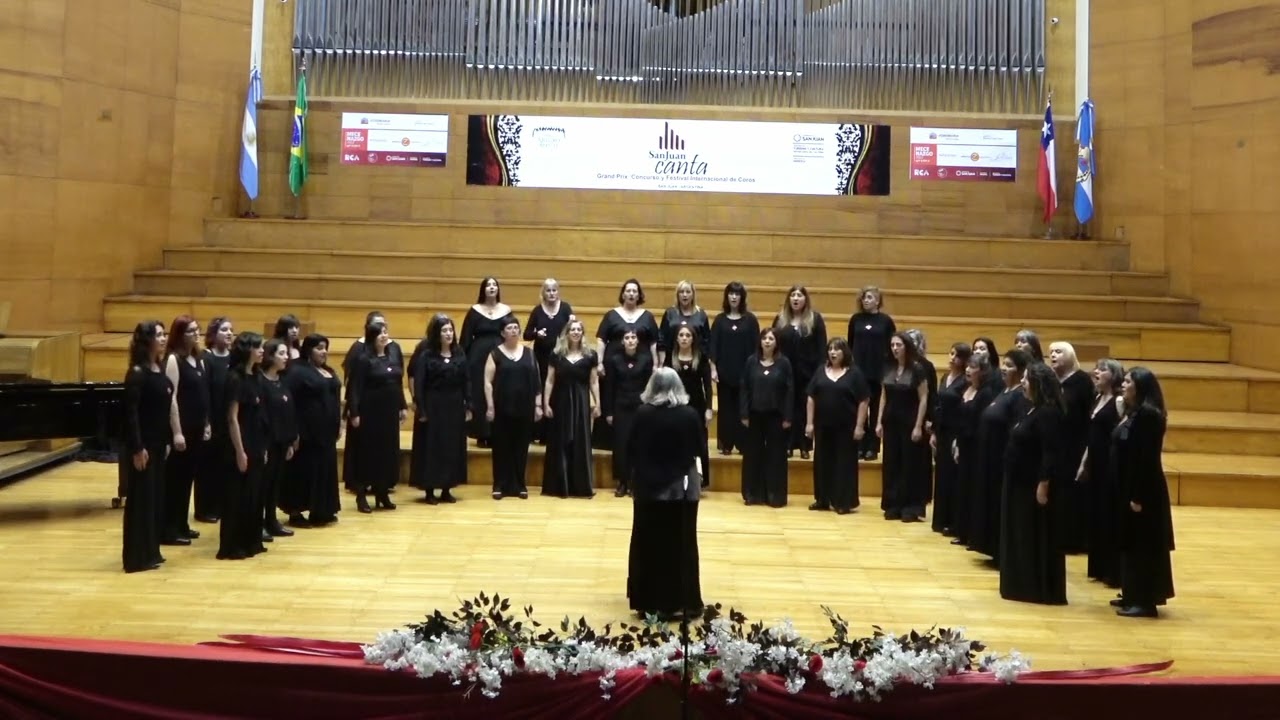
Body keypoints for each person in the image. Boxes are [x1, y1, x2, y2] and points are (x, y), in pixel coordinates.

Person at [625, 368, 704, 618]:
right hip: (681, 489)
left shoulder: (642, 414)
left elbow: (630, 448)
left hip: (649, 488)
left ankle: (648, 601)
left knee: (648, 542)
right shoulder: (690, 415)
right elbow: (699, 448)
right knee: (682, 543)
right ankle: (683, 601)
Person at [999, 362, 1068, 605]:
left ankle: (1035, 587)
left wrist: (1043, 483)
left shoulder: (1048, 413)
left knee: (1033, 534)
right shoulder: (1033, 409)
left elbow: (1050, 451)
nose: (1022, 383)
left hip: (1032, 483)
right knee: (1021, 533)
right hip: (1019, 482)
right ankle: (1020, 583)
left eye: (1026, 379)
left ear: (1038, 384)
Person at [1112, 367, 1176, 618]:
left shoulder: (1149, 415)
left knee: (1142, 545)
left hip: (1143, 490)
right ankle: (1132, 592)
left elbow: (1146, 459)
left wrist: (1138, 496)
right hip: (1129, 485)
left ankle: (1145, 600)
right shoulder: (1134, 412)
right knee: (1131, 543)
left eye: (1128, 381)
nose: (1123, 384)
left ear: (1140, 386)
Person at [121, 320, 173, 573]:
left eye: (164, 335)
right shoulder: (137, 373)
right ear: (147, 340)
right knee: (141, 500)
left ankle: (151, 550)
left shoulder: (158, 369)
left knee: (155, 499)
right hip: (144, 446)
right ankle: (137, 557)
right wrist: (137, 448)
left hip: (159, 444)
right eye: (159, 335)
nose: (163, 339)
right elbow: (131, 414)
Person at [346, 321, 408, 513]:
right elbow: (354, 387)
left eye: (386, 332)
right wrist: (354, 412)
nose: (384, 335)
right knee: (367, 453)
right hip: (369, 413)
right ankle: (361, 495)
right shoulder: (363, 359)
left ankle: (382, 493)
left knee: (386, 452)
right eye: (380, 333)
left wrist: (402, 406)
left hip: (388, 414)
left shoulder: (392, 356)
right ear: (372, 337)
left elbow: (397, 384)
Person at [282, 334, 342, 526]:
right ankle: (295, 511)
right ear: (308, 350)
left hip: (326, 433)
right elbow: (289, 400)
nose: (324, 352)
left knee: (324, 470)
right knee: (304, 471)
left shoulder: (328, 370)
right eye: (319, 348)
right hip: (307, 432)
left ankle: (322, 510)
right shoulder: (297, 371)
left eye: (325, 348)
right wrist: (293, 431)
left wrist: (339, 423)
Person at [805, 338, 870, 514]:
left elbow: (864, 400)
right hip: (823, 426)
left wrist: (859, 426)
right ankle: (822, 499)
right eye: (830, 349)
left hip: (846, 427)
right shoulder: (821, 370)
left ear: (845, 352)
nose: (833, 352)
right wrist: (809, 423)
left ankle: (843, 501)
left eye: (837, 349)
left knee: (844, 464)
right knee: (822, 462)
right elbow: (811, 397)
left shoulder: (855, 373)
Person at [219, 332, 268, 561]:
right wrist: (240, 451)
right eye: (258, 347)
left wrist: (262, 447)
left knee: (254, 495)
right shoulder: (235, 378)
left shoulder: (256, 376)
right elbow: (232, 418)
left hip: (256, 441)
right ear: (247, 350)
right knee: (237, 496)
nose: (262, 351)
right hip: (240, 442)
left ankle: (251, 541)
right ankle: (233, 545)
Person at [413, 314, 470, 504]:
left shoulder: (459, 353)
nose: (448, 334)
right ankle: (429, 490)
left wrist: (468, 404)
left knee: (451, 446)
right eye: (444, 330)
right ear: (437, 333)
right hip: (433, 405)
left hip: (454, 406)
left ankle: (447, 487)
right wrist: (422, 408)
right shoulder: (426, 355)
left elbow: (466, 380)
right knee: (432, 447)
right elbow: (419, 383)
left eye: (451, 330)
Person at [485, 316, 543, 500]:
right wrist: (490, 406)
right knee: (501, 447)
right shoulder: (495, 354)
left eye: (516, 327)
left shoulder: (529, 353)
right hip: (502, 407)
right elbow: (487, 382)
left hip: (524, 407)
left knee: (521, 447)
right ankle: (499, 484)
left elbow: (537, 381)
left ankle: (520, 484)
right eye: (509, 328)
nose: (513, 331)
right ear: (503, 333)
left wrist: (538, 405)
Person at [162, 315, 208, 546]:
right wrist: (177, 432)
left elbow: (203, 395)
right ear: (179, 334)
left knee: (187, 479)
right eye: (190, 331)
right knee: (176, 481)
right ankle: (169, 529)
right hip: (183, 429)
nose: (196, 334)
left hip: (198, 428)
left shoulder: (198, 359)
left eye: (197, 329)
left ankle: (182, 524)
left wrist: (206, 423)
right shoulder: (174, 359)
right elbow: (172, 398)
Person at [542, 319, 599, 498]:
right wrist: (545, 402)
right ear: (566, 333)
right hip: (560, 401)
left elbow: (594, 381)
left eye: (579, 329)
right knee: (561, 440)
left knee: (580, 441)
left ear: (583, 333)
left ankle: (581, 486)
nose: (575, 332)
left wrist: (598, 402)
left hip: (581, 402)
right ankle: (560, 486)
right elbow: (550, 380)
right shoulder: (556, 354)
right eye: (572, 329)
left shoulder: (590, 355)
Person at [876, 332, 930, 522]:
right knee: (892, 463)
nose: (895, 348)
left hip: (909, 422)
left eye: (898, 345)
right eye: (892, 345)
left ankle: (911, 506)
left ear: (906, 346)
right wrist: (879, 421)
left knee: (909, 464)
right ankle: (893, 504)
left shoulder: (917, 369)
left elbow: (923, 398)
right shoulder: (888, 367)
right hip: (891, 422)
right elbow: (883, 396)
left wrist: (918, 425)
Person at [739, 328, 793, 507]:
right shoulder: (751, 361)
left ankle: (775, 495)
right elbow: (744, 388)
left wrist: (788, 416)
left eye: (771, 338)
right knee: (753, 454)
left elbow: (789, 391)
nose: (767, 341)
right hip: (754, 415)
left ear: (777, 343)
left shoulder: (784, 363)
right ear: (760, 341)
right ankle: (752, 493)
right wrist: (744, 413)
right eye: (764, 338)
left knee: (776, 455)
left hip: (776, 416)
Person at [708, 282, 759, 456]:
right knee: (726, 409)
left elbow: (756, 348)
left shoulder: (750, 320)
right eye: (731, 294)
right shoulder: (720, 320)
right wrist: (713, 369)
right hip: (724, 373)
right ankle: (726, 443)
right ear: (727, 297)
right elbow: (713, 347)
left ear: (742, 297)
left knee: (744, 408)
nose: (734, 297)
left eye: (737, 294)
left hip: (745, 373)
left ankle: (743, 443)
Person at [603, 329, 653, 496]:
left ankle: (635, 482)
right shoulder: (615, 360)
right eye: (627, 338)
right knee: (621, 445)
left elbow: (649, 387)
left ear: (637, 341)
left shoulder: (646, 359)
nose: (630, 340)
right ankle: (622, 482)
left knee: (638, 445)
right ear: (622, 341)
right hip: (621, 407)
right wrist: (609, 412)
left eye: (633, 337)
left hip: (640, 408)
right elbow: (609, 386)